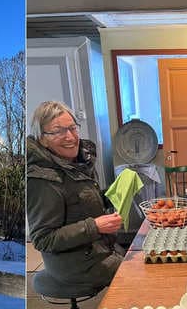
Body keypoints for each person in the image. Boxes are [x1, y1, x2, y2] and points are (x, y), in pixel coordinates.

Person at [27, 101, 123, 290]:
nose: (70, 137)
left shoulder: (76, 163)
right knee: (138, 273)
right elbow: (43, 239)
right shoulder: (42, 180)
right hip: (75, 265)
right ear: (42, 138)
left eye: (72, 128)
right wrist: (94, 226)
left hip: (97, 249)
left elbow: (79, 202)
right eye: (58, 131)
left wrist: (111, 195)